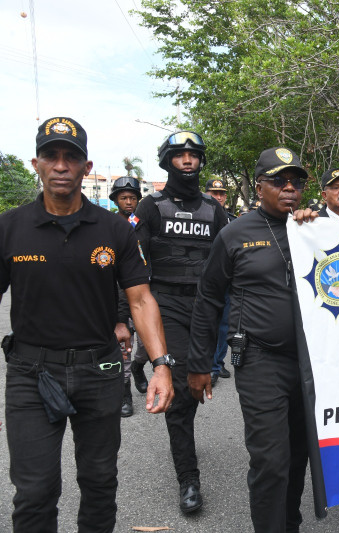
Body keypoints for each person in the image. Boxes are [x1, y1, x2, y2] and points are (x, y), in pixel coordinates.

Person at [0, 117, 173, 532]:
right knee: (35, 491)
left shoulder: (114, 228)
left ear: (87, 167)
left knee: (99, 483)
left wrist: (161, 364)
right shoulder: (10, 226)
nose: (61, 166)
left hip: (99, 371)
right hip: (30, 374)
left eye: (71, 158)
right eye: (51, 156)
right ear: (36, 164)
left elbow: (141, 298)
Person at [188, 147, 316, 532]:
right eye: (279, 181)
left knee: (299, 455)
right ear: (260, 187)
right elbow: (208, 299)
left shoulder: (318, 229)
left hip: (312, 363)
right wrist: (199, 364)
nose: (289, 188)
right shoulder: (235, 233)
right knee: (270, 460)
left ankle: (288, 520)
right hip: (261, 360)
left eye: (297, 181)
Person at [132, 130, 228, 513]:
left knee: (200, 379)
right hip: (166, 305)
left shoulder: (214, 209)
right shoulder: (151, 206)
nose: (188, 160)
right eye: (179, 155)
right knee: (181, 395)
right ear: (167, 160)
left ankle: (184, 423)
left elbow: (230, 259)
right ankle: (188, 479)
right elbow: (133, 266)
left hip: (206, 309)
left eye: (193, 155)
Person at [109, 176, 149, 415]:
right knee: (123, 348)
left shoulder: (142, 225)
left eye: (132, 197)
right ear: (115, 200)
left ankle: (138, 368)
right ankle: (125, 395)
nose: (128, 202)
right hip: (117, 295)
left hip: (143, 294)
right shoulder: (108, 225)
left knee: (146, 347)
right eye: (123, 197)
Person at [205, 178, 236, 385]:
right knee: (207, 323)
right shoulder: (199, 218)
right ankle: (207, 365)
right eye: (214, 193)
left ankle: (217, 363)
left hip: (227, 280)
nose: (218, 197)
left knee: (225, 325)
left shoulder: (232, 220)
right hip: (206, 279)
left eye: (222, 194)